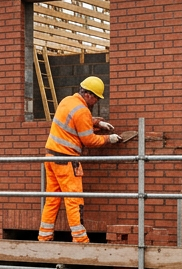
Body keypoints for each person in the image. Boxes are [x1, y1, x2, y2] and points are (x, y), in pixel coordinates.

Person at [40, 76, 121, 243]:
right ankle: (80, 239)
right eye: (96, 98)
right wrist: (109, 139)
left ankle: (44, 236)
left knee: (52, 199)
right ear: (89, 95)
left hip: (51, 157)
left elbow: (76, 121)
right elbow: (89, 140)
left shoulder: (67, 101)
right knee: (74, 200)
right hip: (66, 160)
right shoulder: (83, 110)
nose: (96, 102)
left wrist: (97, 124)